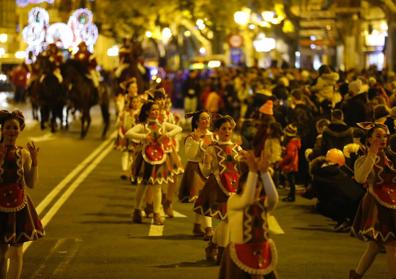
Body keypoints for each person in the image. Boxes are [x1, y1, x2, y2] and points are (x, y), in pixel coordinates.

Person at [219, 150, 279, 279]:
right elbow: (247, 200)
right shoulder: (234, 200)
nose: (256, 189)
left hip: (261, 251)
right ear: (241, 184)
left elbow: (274, 199)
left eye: (259, 186)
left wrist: (264, 173)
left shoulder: (262, 203)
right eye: (252, 185)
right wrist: (252, 172)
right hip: (240, 251)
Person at [0, 110, 44, 279]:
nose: (12, 131)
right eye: (8, 128)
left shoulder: (23, 154)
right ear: (2, 129)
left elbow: (31, 183)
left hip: (19, 207)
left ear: (20, 130)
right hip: (0, 208)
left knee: (17, 255)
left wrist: (35, 161)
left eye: (15, 128)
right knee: (1, 255)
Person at [193, 115, 243, 264]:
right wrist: (206, 163)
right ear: (217, 130)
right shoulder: (211, 148)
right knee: (226, 219)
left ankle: (214, 245)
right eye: (223, 129)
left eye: (229, 129)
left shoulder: (237, 148)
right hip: (218, 188)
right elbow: (206, 172)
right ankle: (222, 253)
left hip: (234, 187)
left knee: (228, 219)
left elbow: (242, 168)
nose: (227, 131)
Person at [350, 124, 396, 279]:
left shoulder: (390, 157)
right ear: (369, 138)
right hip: (377, 204)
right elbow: (360, 178)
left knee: (375, 246)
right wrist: (371, 154)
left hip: (392, 203)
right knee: (392, 245)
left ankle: (356, 275)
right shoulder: (364, 158)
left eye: (385, 136)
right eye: (378, 136)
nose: (382, 139)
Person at [125, 101, 182, 225]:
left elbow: (178, 128)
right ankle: (137, 209)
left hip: (160, 159)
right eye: (153, 110)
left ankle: (157, 213)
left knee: (157, 186)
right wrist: (144, 137)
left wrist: (167, 135)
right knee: (142, 185)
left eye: (157, 110)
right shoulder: (143, 126)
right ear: (147, 112)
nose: (156, 112)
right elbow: (128, 133)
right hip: (146, 158)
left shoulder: (163, 125)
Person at [178, 111, 215, 239]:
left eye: (208, 118)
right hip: (195, 169)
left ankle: (197, 226)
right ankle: (209, 228)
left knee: (203, 199)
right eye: (203, 119)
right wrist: (195, 141)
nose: (206, 121)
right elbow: (190, 155)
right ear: (197, 122)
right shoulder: (191, 136)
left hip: (209, 170)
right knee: (204, 199)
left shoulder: (213, 136)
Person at [279, 124, 301, 202]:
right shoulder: (294, 143)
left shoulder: (291, 144)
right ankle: (291, 195)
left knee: (291, 181)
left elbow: (290, 155)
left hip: (290, 165)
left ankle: (291, 196)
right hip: (293, 164)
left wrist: (282, 162)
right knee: (292, 181)